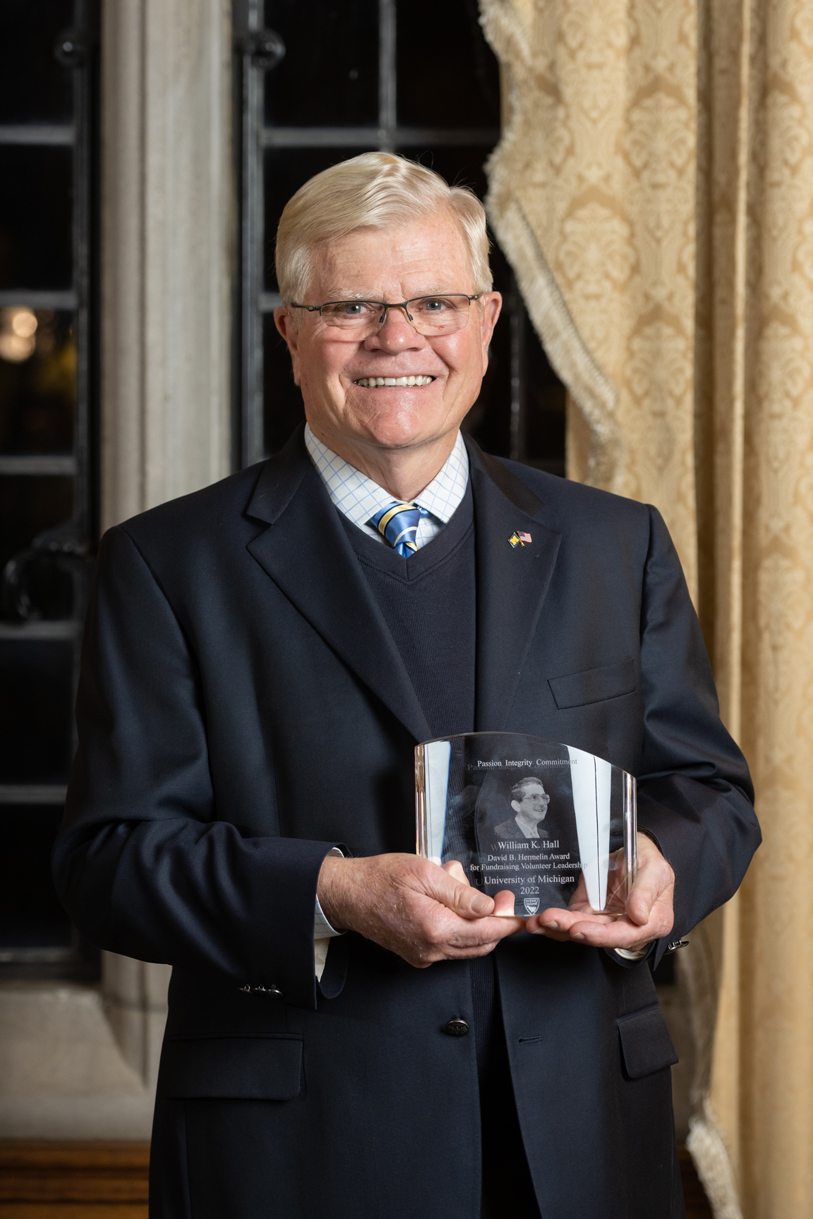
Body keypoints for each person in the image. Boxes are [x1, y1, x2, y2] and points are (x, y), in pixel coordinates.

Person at [54, 152, 760, 1219]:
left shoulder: (615, 544)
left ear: (484, 321)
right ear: (290, 330)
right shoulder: (168, 565)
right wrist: (333, 895)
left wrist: (664, 866)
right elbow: (108, 859)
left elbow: (708, 789)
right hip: (300, 1153)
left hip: (579, 1144)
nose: (399, 337)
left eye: (433, 300)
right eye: (353, 306)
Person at [492, 776, 551, 842]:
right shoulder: (499, 832)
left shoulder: (545, 835)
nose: (542, 803)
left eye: (544, 797)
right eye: (534, 798)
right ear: (516, 806)